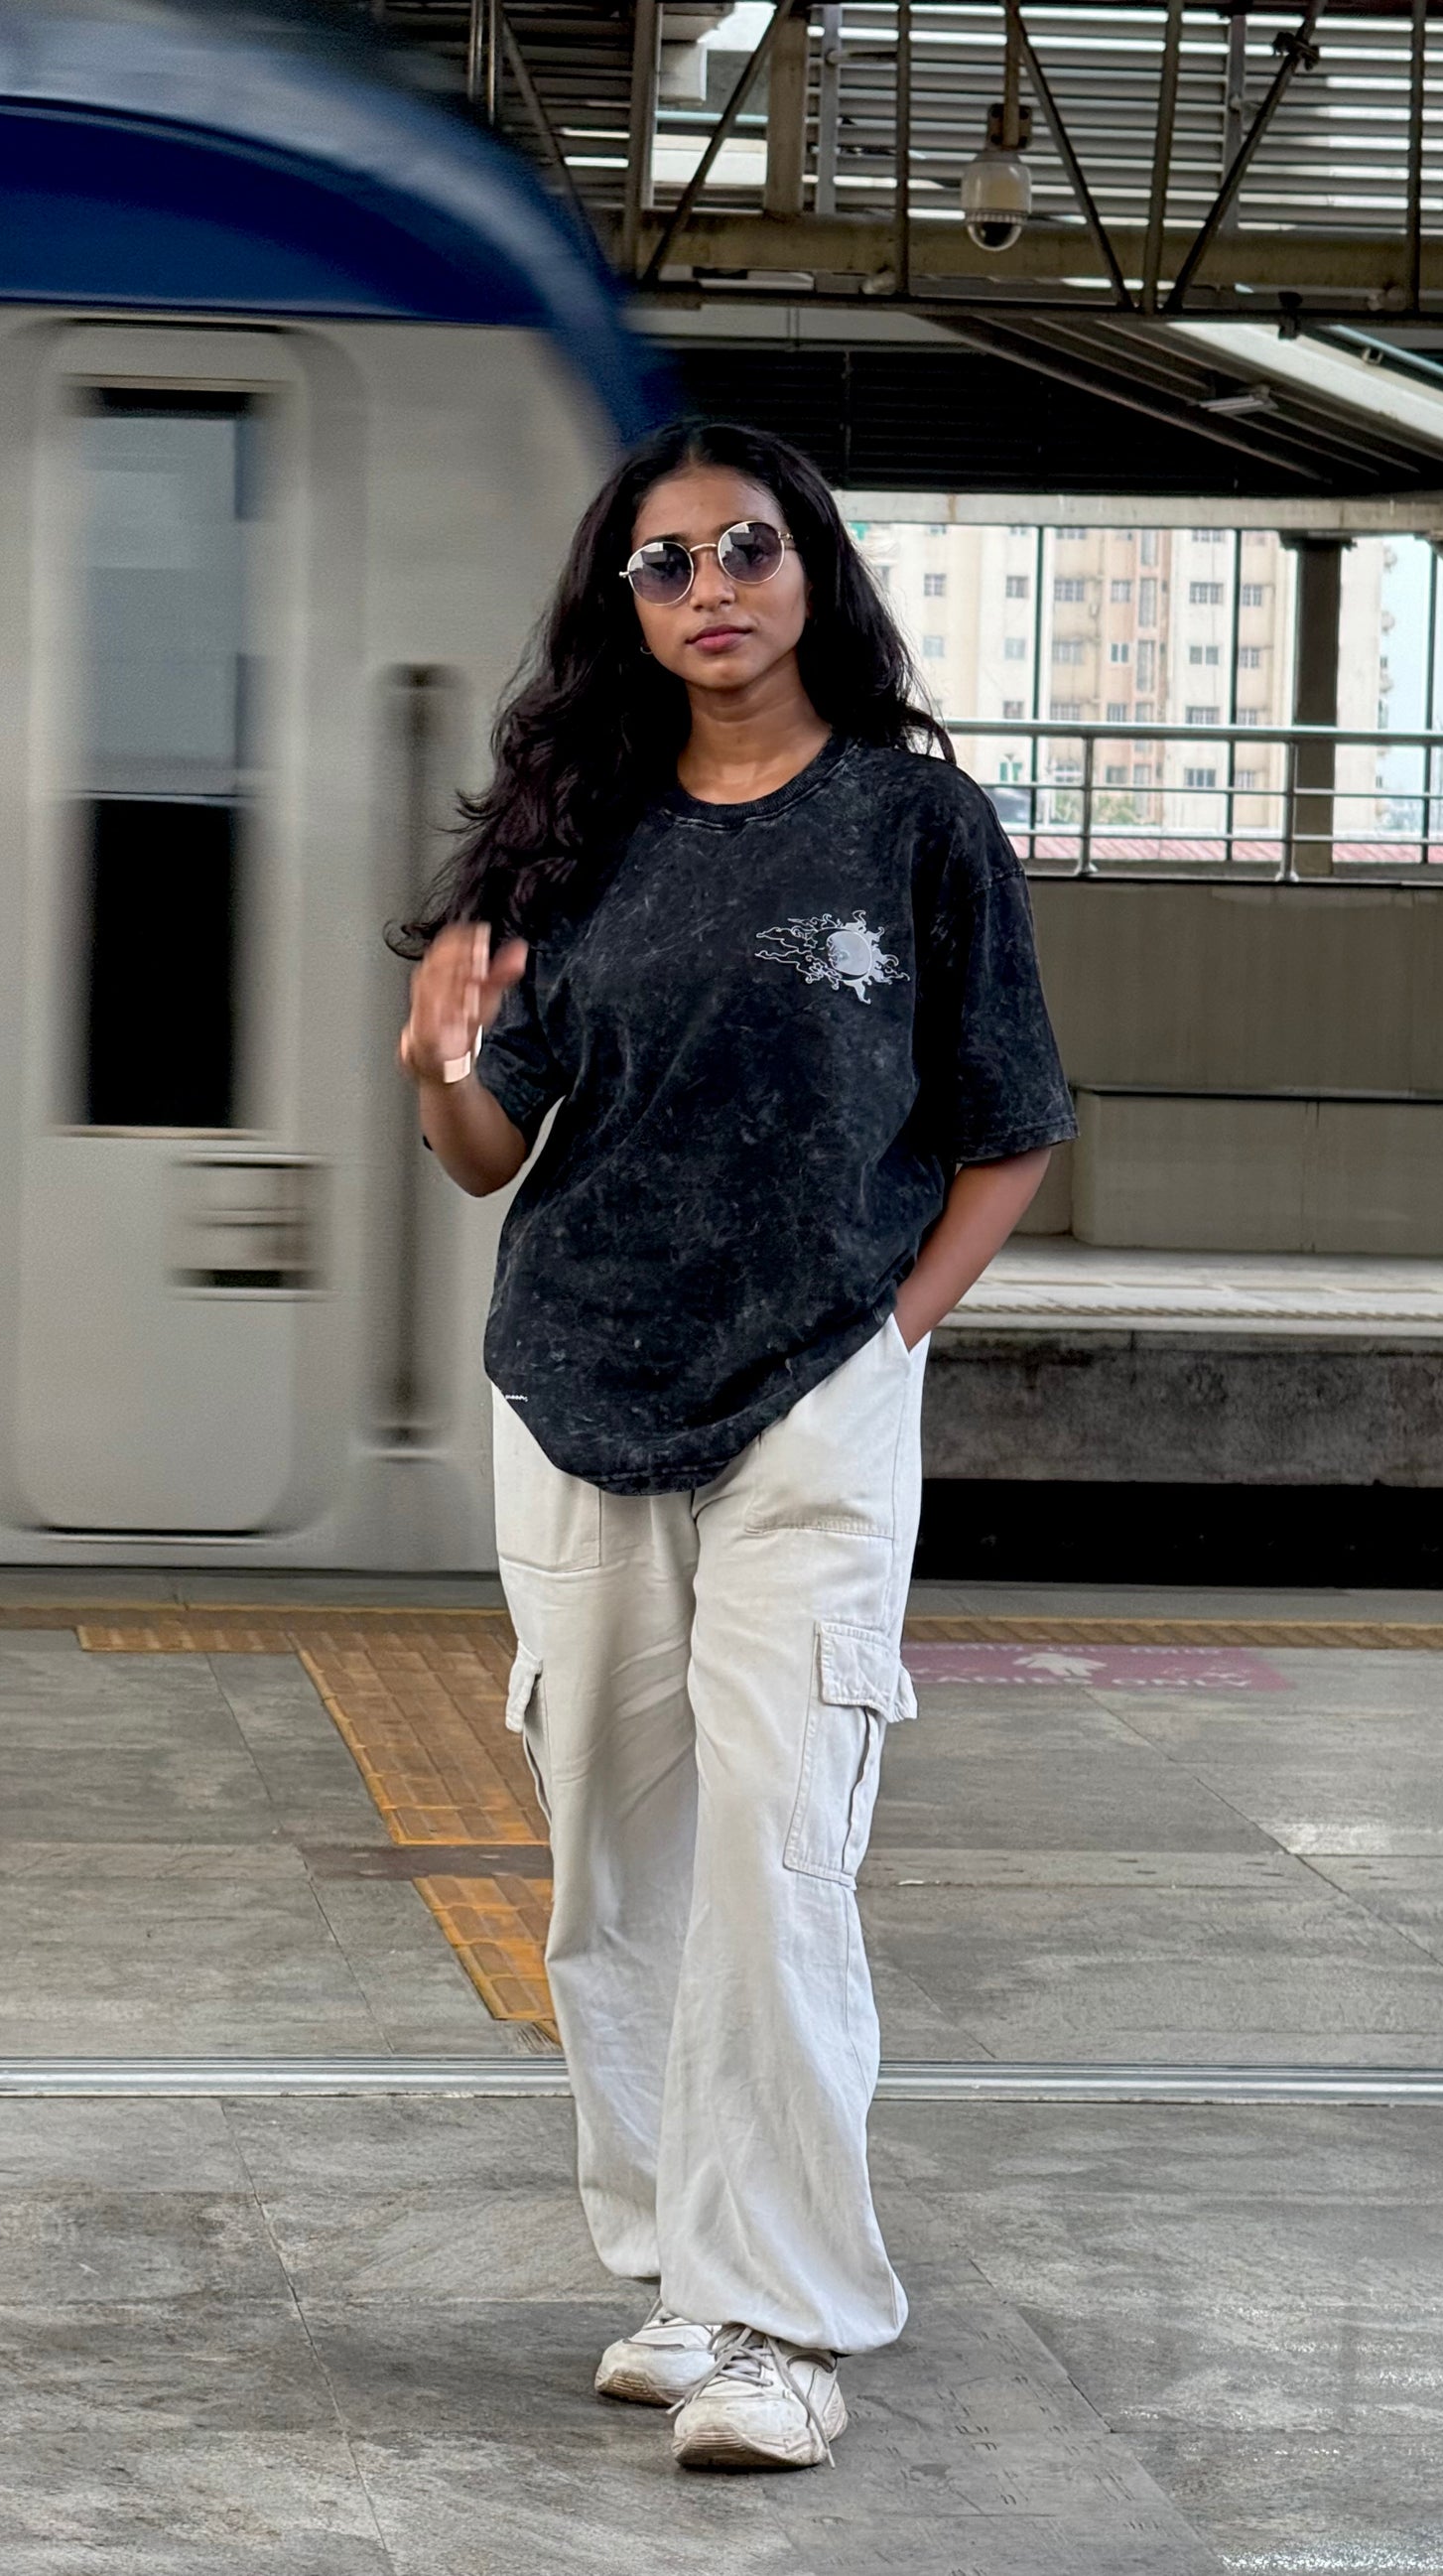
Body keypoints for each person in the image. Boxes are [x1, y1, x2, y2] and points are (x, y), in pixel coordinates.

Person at [391, 422, 1075, 2472]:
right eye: (665, 563)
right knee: (611, 1865)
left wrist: (886, 1331)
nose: (710, 589)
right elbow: (486, 1151)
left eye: (746, 550)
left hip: (814, 1397)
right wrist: (431, 1060)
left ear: (813, 573)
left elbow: (1009, 1117)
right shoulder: (571, 835)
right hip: (580, 1387)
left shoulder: (912, 822)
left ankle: (789, 2318)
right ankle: (687, 2270)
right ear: (626, 604)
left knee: (777, 1856)